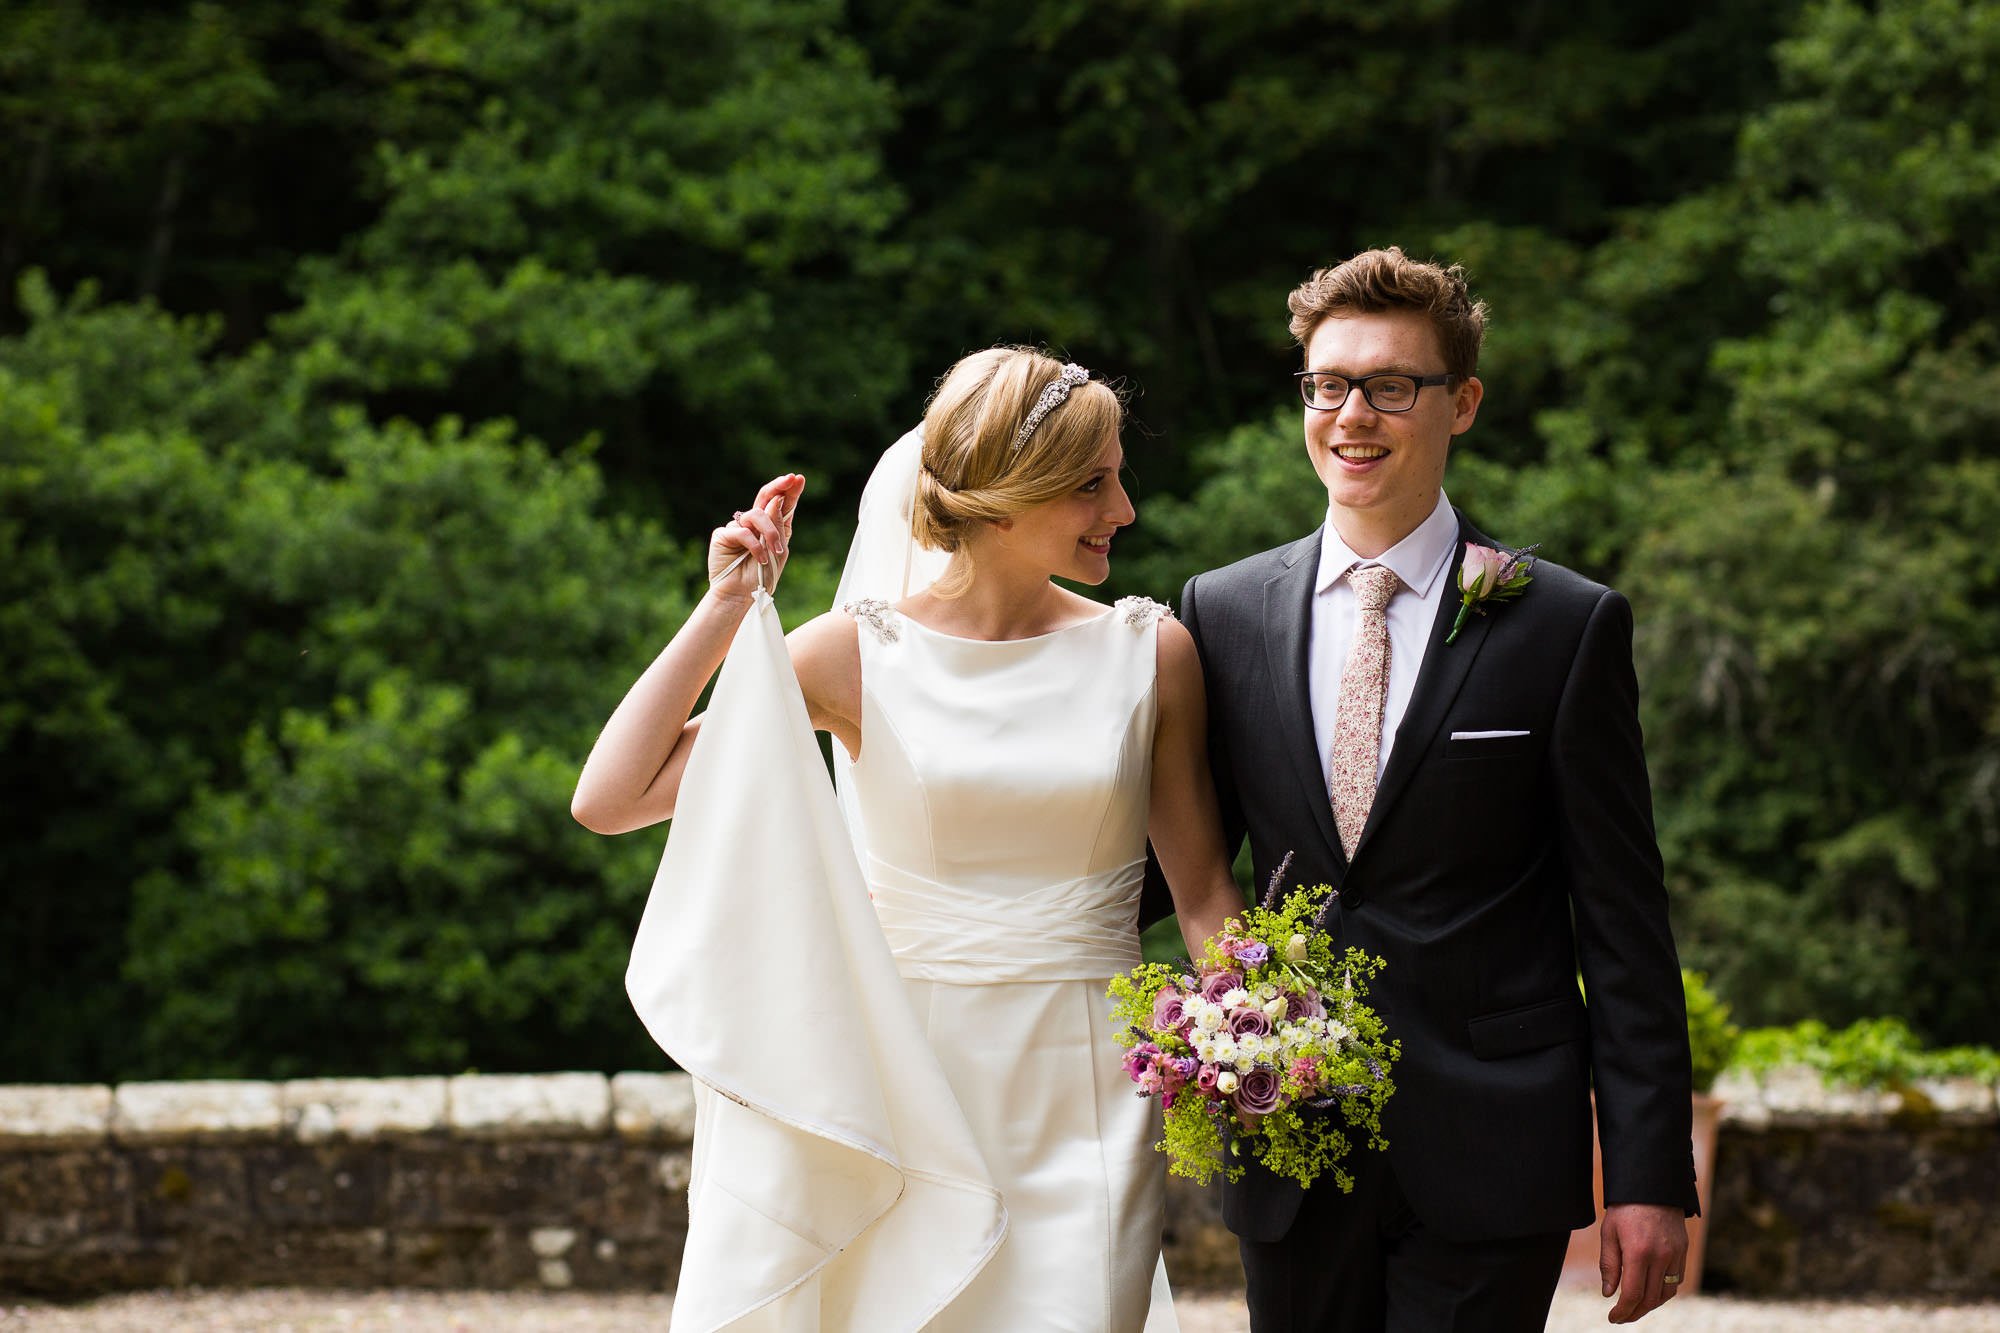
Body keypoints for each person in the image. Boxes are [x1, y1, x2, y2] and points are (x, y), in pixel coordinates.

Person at [573, 345, 1243, 1331]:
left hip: (1088, 1089)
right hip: (902, 1084)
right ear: (1006, 496)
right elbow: (613, 794)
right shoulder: (854, 652)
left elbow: (1201, 898)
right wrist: (728, 609)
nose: (1124, 509)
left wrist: (1268, 1034)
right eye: (1093, 482)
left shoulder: (1151, 651)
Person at [1173, 248, 1699, 1330]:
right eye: (1325, 384)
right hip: (1291, 1132)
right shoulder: (1217, 613)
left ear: (1459, 402)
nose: (1349, 414)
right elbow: (1171, 860)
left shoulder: (1562, 624)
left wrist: (1646, 1171)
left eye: (1388, 386)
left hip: (1491, 1141)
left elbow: (1620, 919)